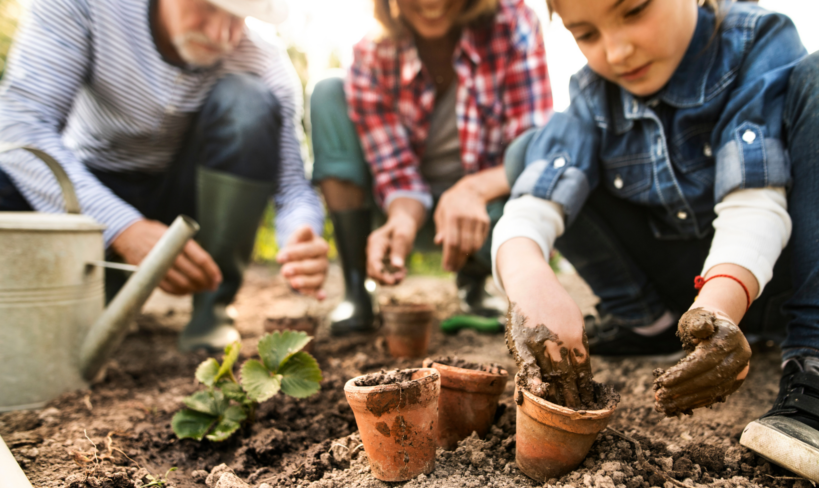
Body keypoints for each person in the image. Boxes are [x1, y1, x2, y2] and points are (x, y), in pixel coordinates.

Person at [494, 0, 819, 488]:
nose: (616, 51)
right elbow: (532, 206)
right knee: (528, 154)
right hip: (685, 290)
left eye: (634, 11)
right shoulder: (593, 95)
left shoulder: (756, 42)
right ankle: (651, 326)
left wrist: (718, 307)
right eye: (586, 33)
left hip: (781, 277)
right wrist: (531, 282)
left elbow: (755, 204)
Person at [0, 0, 329, 352]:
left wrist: (300, 235)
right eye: (209, 7)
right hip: (91, 190)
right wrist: (123, 228)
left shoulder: (263, 60)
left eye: (239, 18)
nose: (222, 34)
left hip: (188, 201)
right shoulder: (84, 6)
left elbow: (292, 187)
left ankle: (212, 307)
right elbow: (21, 125)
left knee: (249, 101)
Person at [309, 0, 554, 334]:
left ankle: (475, 278)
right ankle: (356, 285)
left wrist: (471, 191)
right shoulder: (371, 53)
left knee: (539, 196)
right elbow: (395, 171)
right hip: (410, 212)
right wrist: (403, 218)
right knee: (328, 91)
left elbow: (531, 151)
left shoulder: (513, 23)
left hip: (487, 209)